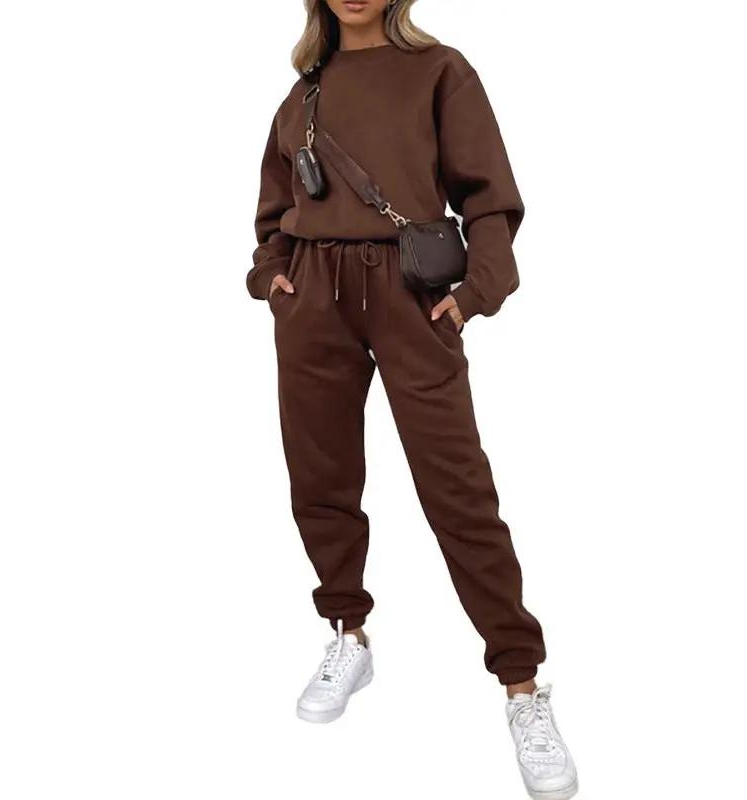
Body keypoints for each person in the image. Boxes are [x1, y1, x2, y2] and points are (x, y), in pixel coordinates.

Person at [247, 2, 578, 797]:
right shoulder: (305, 88)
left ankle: (522, 683)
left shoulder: (441, 72)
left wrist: (475, 293)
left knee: (457, 488)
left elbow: (488, 197)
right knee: (320, 478)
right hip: (314, 297)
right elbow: (274, 207)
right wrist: (275, 276)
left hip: (410, 293)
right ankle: (347, 631)